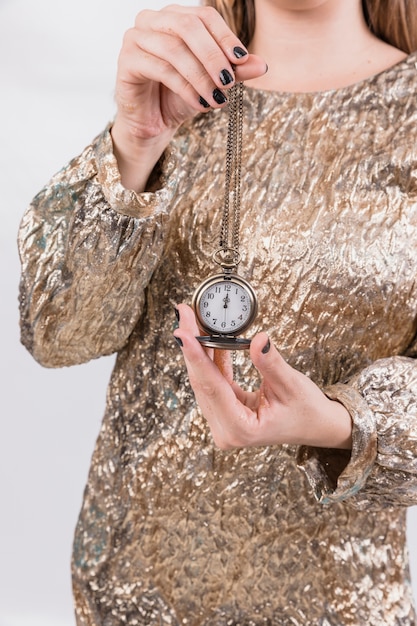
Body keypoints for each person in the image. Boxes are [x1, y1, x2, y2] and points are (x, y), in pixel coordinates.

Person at [18, 0, 417, 623]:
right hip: (134, 590)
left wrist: (344, 422)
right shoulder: (179, 90)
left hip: (335, 603)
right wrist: (134, 143)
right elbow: (56, 332)